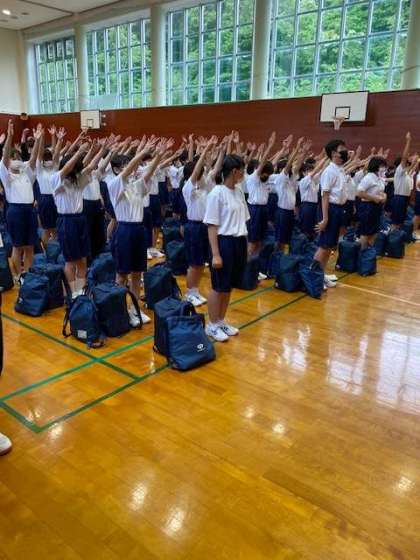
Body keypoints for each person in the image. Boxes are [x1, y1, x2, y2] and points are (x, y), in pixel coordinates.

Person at [108, 138, 169, 325]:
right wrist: (142, 152)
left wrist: (158, 156)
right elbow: (129, 170)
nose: (130, 168)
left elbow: (148, 173)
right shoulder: (114, 183)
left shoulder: (135, 185)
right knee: (122, 275)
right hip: (124, 231)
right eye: (124, 165)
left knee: (137, 273)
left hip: (138, 230)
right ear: (116, 169)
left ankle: (134, 309)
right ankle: (119, 311)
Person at [204, 154, 249, 342]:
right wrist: (215, 254)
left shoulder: (238, 192)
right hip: (223, 243)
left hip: (239, 242)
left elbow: (243, 220)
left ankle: (221, 320)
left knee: (228, 286)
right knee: (218, 286)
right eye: (242, 170)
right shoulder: (217, 193)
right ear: (234, 171)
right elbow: (212, 226)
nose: (244, 173)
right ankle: (212, 325)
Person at [182, 136, 222, 306]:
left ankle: (195, 290)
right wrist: (204, 150)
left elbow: (216, 168)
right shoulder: (188, 187)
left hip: (205, 227)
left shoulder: (205, 186)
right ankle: (189, 292)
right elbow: (197, 169)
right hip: (194, 227)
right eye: (199, 170)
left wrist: (221, 149)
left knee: (201, 263)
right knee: (194, 263)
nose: (202, 171)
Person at [0, 120, 42, 278]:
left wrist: (37, 140)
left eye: (17, 157)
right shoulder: (6, 176)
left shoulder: (26, 174)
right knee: (17, 246)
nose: (15, 160)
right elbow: (5, 157)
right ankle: (17, 276)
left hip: (29, 210)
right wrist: (10, 136)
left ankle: (28, 275)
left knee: (30, 246)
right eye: (12, 158)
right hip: (15, 211)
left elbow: (33, 158)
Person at [51, 141, 92, 297]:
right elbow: (67, 168)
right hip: (67, 221)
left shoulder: (77, 181)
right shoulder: (56, 179)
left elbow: (89, 167)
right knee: (71, 260)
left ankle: (81, 292)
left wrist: (100, 150)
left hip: (80, 220)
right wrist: (79, 152)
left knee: (82, 259)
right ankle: (72, 293)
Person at [314, 139, 349, 289]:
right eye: (342, 148)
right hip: (330, 210)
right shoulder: (329, 171)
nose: (345, 151)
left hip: (339, 209)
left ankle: (320, 275)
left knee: (329, 247)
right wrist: (325, 218)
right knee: (323, 246)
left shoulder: (340, 169)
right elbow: (325, 195)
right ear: (334, 153)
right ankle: (314, 277)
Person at [36, 126, 65, 244]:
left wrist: (59, 140)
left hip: (56, 198)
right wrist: (41, 138)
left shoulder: (54, 168)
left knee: (56, 228)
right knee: (47, 229)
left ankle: (57, 249)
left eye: (50, 158)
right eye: (46, 159)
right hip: (45, 200)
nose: (49, 160)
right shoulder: (39, 170)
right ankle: (45, 251)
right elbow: (39, 154)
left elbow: (56, 153)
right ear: (43, 160)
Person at [357, 157, 387, 248]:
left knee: (374, 232)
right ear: (375, 166)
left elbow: (381, 191)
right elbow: (359, 192)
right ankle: (362, 253)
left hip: (377, 207)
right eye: (382, 166)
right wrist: (373, 198)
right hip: (368, 207)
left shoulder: (379, 178)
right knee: (366, 232)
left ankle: (369, 252)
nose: (384, 168)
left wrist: (384, 196)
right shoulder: (368, 178)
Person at [391, 133, 415, 230]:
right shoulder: (399, 170)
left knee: (400, 221)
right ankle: (392, 236)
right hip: (399, 198)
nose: (407, 158)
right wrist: (408, 141)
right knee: (396, 221)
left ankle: (397, 236)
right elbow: (404, 157)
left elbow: (411, 167)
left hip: (404, 198)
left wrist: (414, 162)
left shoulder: (405, 172)